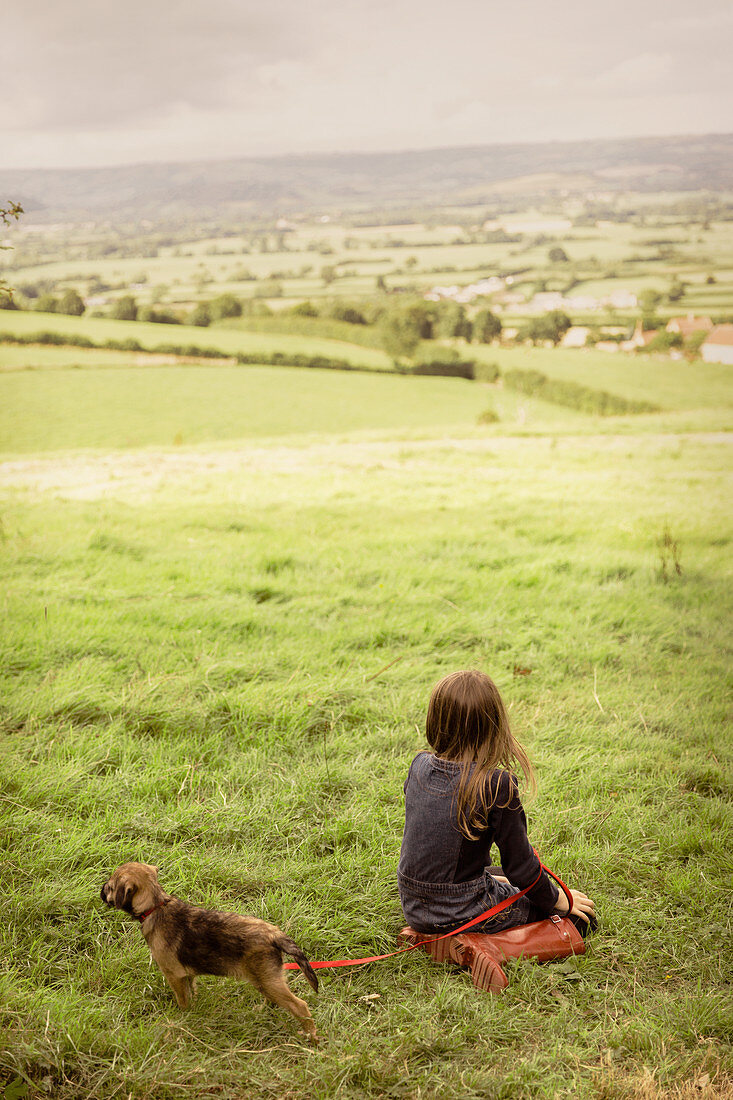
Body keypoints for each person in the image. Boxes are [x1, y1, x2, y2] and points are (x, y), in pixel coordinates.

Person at [398, 669, 596, 937]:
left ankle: (439, 931)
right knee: (580, 920)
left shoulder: (418, 765)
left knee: (500, 873)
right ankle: (481, 946)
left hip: (414, 901)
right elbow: (522, 867)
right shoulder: (496, 784)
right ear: (493, 725)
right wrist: (557, 900)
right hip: (461, 908)